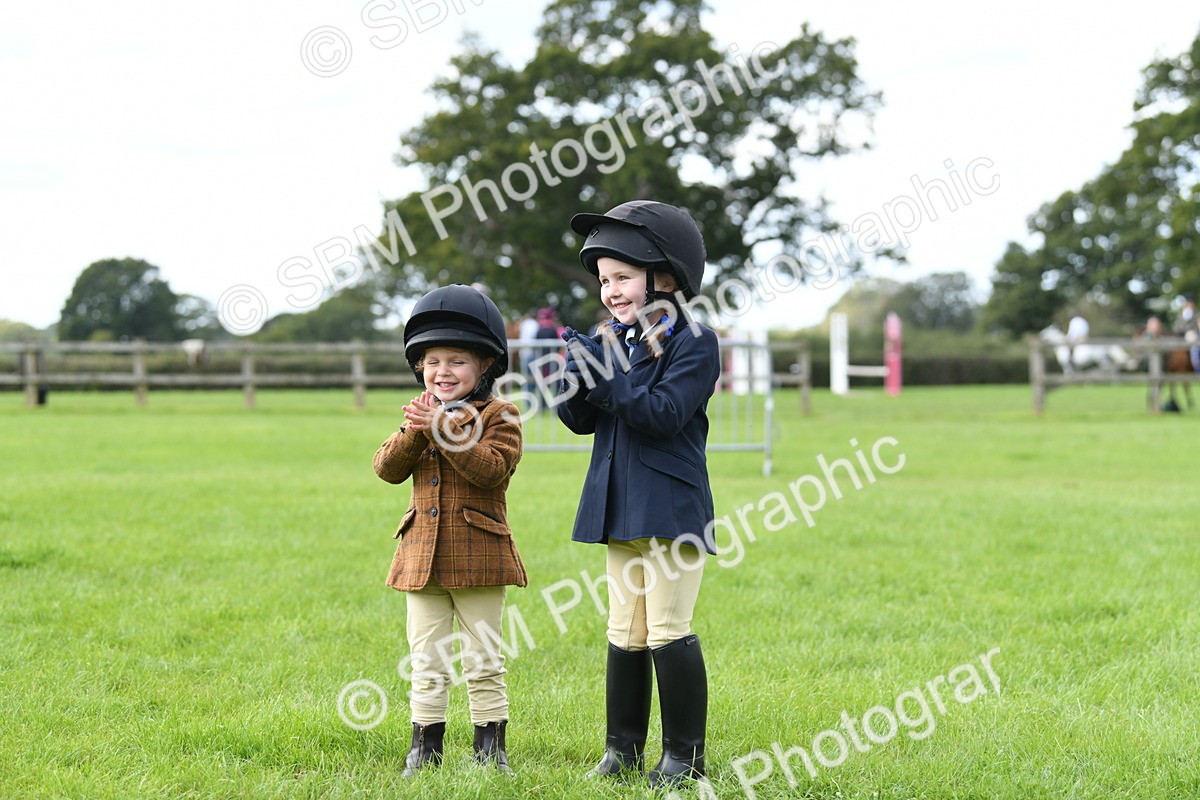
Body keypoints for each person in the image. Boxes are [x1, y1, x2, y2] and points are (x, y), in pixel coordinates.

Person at [554, 200, 721, 788]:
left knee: (667, 629)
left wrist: (607, 377)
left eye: (622, 277)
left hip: (672, 510)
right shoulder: (612, 338)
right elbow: (578, 418)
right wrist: (573, 378)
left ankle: (685, 758)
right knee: (624, 629)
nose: (610, 290)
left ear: (665, 278)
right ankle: (620, 750)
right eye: (604, 280)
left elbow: (663, 413)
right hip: (618, 505)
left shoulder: (695, 342)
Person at [372, 284, 527, 778]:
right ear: (419, 367)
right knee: (426, 660)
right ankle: (425, 747)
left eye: (457, 361)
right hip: (421, 558)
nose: (443, 371)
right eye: (433, 360)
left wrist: (445, 428)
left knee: (484, 660)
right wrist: (418, 430)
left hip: (480, 556)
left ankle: (490, 748)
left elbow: (491, 469)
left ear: (484, 366)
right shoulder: (418, 416)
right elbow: (386, 470)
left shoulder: (500, 416)